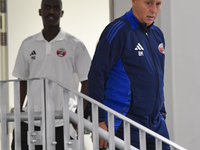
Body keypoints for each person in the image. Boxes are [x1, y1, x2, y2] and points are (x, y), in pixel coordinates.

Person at [88, 0, 170, 149]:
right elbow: (96, 74)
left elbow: (157, 77)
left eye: (158, 4)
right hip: (125, 123)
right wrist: (98, 119)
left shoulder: (157, 34)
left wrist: (161, 111)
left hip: (155, 124)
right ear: (134, 1)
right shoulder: (118, 30)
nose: (154, 9)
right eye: (148, 3)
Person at [11, 0, 91, 149]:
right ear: (40, 11)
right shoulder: (28, 44)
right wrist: (18, 115)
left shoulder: (74, 45)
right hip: (31, 120)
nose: (51, 12)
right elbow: (21, 81)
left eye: (56, 8)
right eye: (47, 7)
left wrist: (77, 119)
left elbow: (87, 82)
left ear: (61, 13)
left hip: (63, 121)